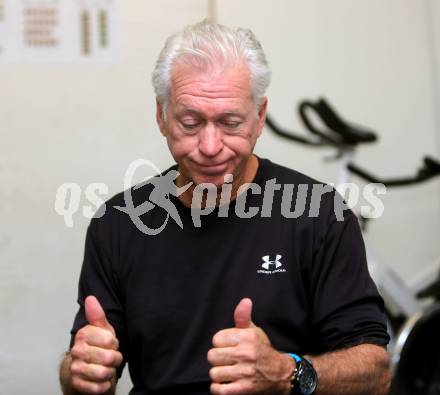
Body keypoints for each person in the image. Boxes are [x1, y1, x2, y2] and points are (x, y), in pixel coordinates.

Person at [59, 20, 391, 395]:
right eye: (190, 122)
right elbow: (81, 372)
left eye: (230, 123)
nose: (211, 145)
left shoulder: (319, 214)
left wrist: (288, 372)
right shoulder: (118, 224)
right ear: (162, 117)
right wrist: (80, 371)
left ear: (259, 117)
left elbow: (376, 373)